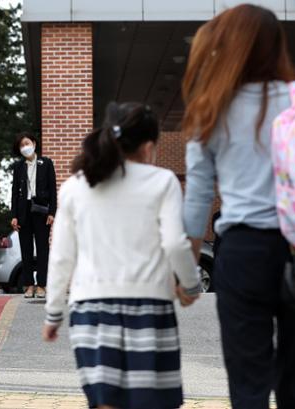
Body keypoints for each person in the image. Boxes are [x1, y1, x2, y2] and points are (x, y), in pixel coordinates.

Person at [181, 5, 295, 409]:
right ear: (277, 46)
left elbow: (197, 194)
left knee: (248, 385)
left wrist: (187, 265)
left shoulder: (211, 104)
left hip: (244, 251)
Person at [43, 102, 201, 409]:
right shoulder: (163, 181)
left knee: (105, 403)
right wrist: (191, 286)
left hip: (90, 309)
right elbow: (175, 244)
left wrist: (53, 313)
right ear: (148, 147)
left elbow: (62, 256)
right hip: (150, 308)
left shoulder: (76, 186)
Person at [10, 132, 57, 298]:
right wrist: (14, 215)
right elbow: (14, 192)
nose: (25, 147)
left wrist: (52, 212)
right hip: (24, 211)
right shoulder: (18, 167)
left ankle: (42, 285)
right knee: (26, 249)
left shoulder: (47, 163)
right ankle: (29, 285)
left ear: (34, 144)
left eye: (27, 143)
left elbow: (53, 190)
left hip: (42, 210)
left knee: (43, 249)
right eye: (21, 146)